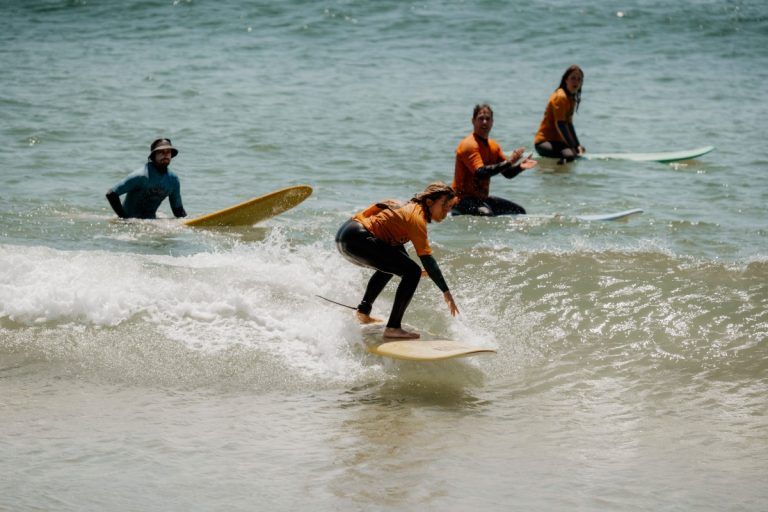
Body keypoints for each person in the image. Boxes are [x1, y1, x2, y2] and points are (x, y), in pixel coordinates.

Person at [335, 182, 460, 339]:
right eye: (444, 205)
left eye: (450, 205)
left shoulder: (402, 207)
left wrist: (405, 265)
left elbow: (376, 212)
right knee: (412, 272)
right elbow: (427, 259)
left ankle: (363, 312)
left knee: (395, 267)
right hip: (358, 239)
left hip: (345, 235)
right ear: (429, 202)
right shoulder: (416, 218)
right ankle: (393, 328)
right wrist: (445, 291)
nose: (447, 210)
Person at [452, 104, 537, 216]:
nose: (484, 122)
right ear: (473, 121)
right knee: (486, 214)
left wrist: (520, 167)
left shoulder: (493, 146)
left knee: (519, 211)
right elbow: (480, 173)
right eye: (480, 119)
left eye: (488, 119)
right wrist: (509, 162)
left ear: (492, 122)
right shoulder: (468, 145)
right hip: (461, 200)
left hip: (481, 199)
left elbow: (507, 173)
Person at [106, 138, 187, 219]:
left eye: (168, 152)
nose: (165, 154)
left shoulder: (173, 180)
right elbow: (111, 194)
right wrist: (124, 218)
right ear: (153, 156)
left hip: (150, 222)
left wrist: (189, 222)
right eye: (161, 152)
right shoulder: (141, 176)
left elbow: (178, 210)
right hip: (131, 222)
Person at [534, 65, 585, 164]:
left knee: (578, 151)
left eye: (579, 79)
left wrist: (577, 145)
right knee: (570, 155)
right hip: (544, 143)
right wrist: (571, 147)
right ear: (566, 80)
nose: (576, 81)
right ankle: (557, 176)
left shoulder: (571, 98)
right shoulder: (561, 97)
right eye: (573, 78)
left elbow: (569, 125)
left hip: (557, 142)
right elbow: (560, 124)